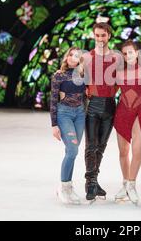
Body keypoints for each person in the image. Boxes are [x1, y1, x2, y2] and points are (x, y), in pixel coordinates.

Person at [82, 22, 121, 201]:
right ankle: (90, 183)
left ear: (109, 36)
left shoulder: (116, 58)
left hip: (110, 105)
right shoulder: (87, 57)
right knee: (91, 145)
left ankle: (94, 179)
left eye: (103, 35)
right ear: (93, 36)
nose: (100, 39)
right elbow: (81, 81)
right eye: (97, 35)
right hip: (93, 105)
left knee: (101, 146)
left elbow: (122, 81)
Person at [113, 40, 141, 205]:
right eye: (124, 53)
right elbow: (113, 90)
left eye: (130, 52)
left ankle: (132, 185)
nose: (127, 55)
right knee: (123, 151)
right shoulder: (118, 72)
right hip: (122, 112)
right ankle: (125, 183)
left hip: (139, 111)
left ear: (136, 53)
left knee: (137, 151)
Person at [50, 47, 85, 205]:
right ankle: (63, 187)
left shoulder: (83, 75)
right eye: (71, 54)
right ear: (67, 57)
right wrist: (54, 125)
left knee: (72, 152)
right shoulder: (59, 75)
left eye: (77, 56)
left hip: (80, 114)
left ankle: (69, 186)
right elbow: (53, 100)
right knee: (72, 149)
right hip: (64, 114)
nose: (73, 58)